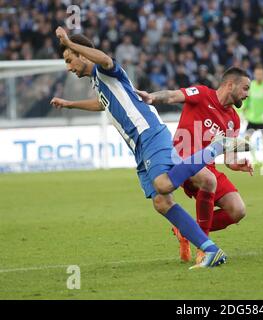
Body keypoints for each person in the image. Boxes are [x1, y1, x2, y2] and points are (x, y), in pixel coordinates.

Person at [50, 27, 250, 269]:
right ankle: (211, 250)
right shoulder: (99, 83)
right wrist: (70, 104)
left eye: (69, 60)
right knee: (162, 202)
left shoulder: (105, 70)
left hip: (149, 131)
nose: (69, 68)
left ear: (82, 54)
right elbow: (103, 104)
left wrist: (69, 41)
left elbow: (103, 58)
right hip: (139, 146)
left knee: (164, 184)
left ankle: (217, 147)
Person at [137, 67, 253, 264]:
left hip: (209, 168)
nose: (247, 94)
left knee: (238, 210)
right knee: (208, 179)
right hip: (182, 160)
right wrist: (151, 97)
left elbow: (229, 159)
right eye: (245, 88)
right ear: (230, 85)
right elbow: (173, 95)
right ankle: (204, 247)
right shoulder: (202, 94)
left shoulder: (233, 120)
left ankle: (185, 230)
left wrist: (237, 164)